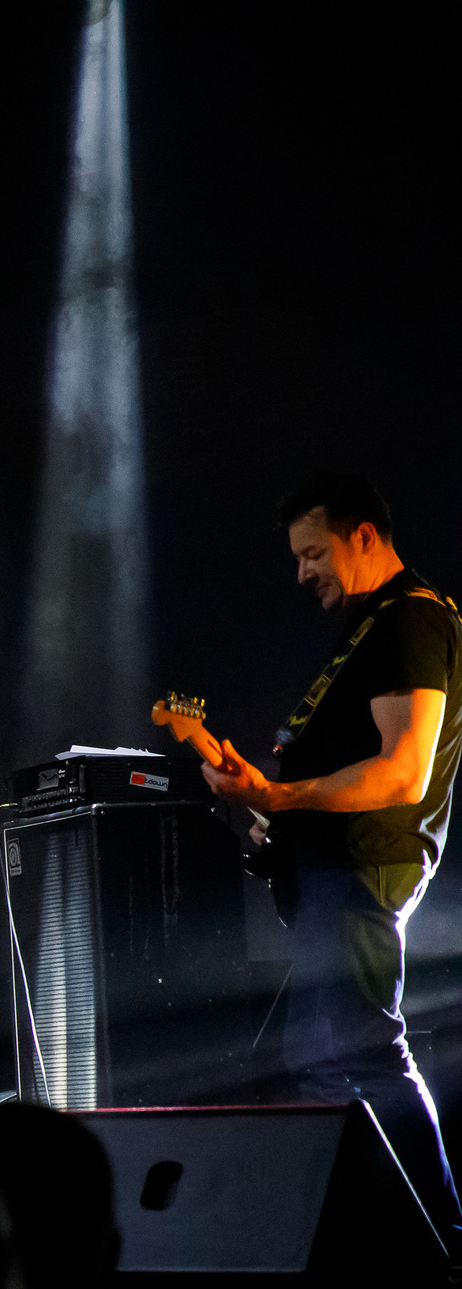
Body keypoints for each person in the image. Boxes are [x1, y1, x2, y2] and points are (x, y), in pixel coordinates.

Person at [199, 471, 462, 1247]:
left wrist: (281, 802)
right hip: (333, 871)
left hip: (362, 873)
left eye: (314, 553)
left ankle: (437, 1240)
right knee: (328, 1056)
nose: (303, 572)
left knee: (359, 1056)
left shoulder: (410, 622)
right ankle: (402, 1240)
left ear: (365, 537)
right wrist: (279, 820)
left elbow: (402, 771)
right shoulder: (372, 625)